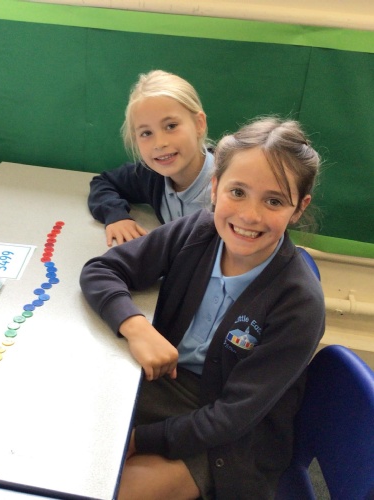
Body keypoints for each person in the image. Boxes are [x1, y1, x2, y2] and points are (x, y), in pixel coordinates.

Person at [80, 117, 325, 499]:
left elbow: (233, 416)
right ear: (214, 186)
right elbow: (101, 270)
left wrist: (139, 440)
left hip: (232, 440)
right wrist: (137, 327)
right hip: (167, 386)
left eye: (274, 201)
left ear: (298, 208)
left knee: (110, 489)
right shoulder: (197, 231)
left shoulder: (299, 303)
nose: (249, 215)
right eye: (237, 192)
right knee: (73, 449)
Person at [88, 70, 215, 247]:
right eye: (146, 133)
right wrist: (116, 216)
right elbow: (104, 182)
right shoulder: (151, 176)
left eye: (171, 126)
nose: (160, 143)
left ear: (199, 124)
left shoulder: (231, 185)